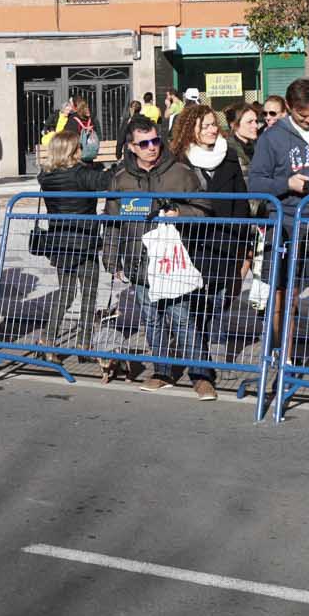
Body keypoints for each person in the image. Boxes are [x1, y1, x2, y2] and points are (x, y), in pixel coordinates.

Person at [103, 113, 204, 390]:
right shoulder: (121, 179)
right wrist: (111, 259)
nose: (152, 147)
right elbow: (112, 221)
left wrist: (180, 213)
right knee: (152, 320)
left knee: (182, 319)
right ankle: (162, 372)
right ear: (131, 147)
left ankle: (201, 375)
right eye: (144, 143)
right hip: (139, 263)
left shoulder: (180, 173)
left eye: (155, 141)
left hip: (173, 264)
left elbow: (205, 209)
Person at [250, 78, 309, 369]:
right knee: (283, 295)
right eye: (303, 114)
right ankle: (283, 355)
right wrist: (286, 184)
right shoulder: (271, 137)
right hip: (285, 225)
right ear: (289, 108)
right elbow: (255, 183)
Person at [170, 102, 249, 401]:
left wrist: (244, 252)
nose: (213, 130)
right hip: (192, 244)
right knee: (193, 308)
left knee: (213, 307)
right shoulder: (179, 161)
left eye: (214, 124)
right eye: (205, 125)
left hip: (225, 243)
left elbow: (242, 204)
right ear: (191, 128)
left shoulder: (228, 157)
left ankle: (195, 358)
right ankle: (201, 371)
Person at [33, 127, 112, 376]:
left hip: (60, 242)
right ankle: (83, 344)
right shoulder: (81, 174)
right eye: (79, 146)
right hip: (84, 241)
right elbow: (108, 182)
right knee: (89, 293)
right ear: (71, 150)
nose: (82, 150)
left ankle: (47, 340)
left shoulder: (46, 176)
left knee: (65, 293)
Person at [223, 102, 262, 171]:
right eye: (249, 122)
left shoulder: (259, 146)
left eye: (256, 121)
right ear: (234, 125)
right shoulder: (227, 152)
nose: (256, 126)